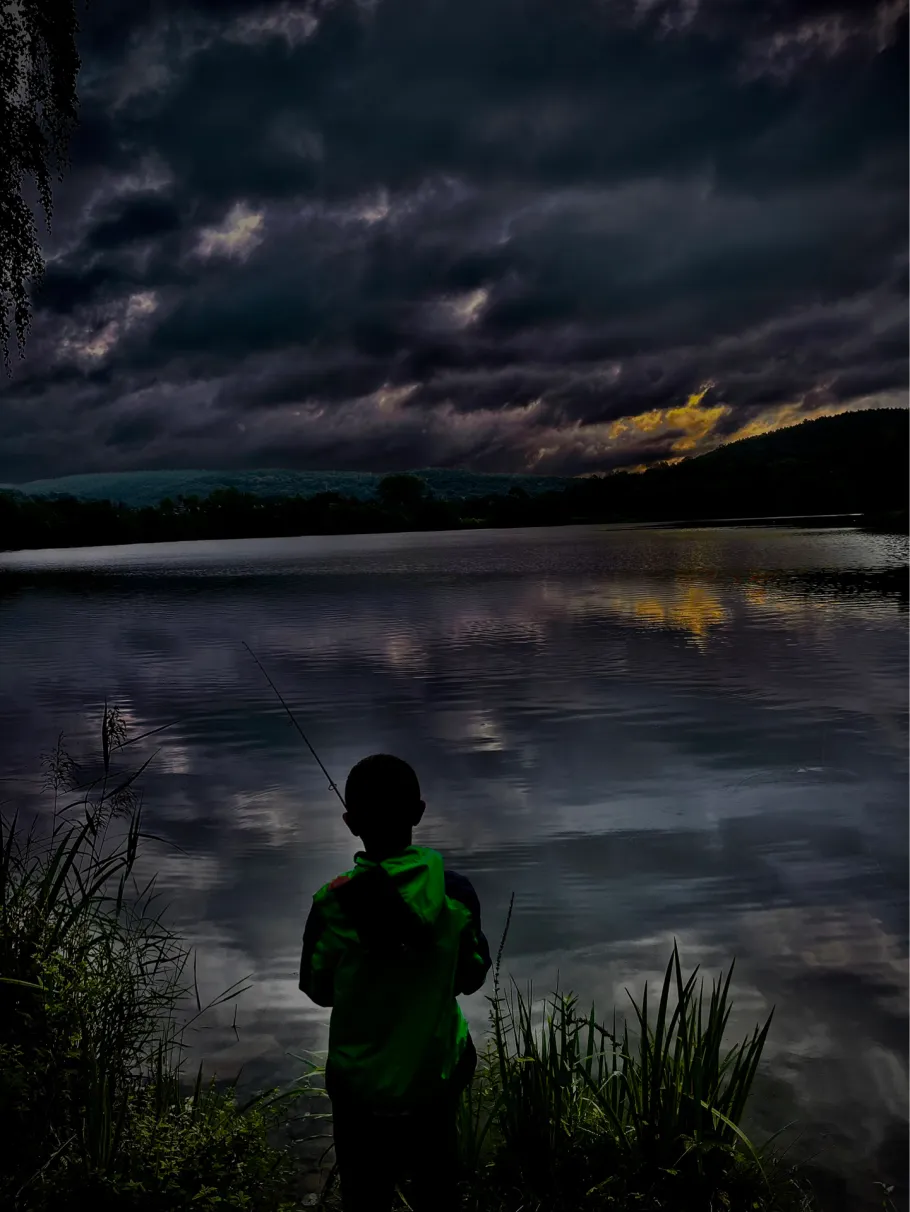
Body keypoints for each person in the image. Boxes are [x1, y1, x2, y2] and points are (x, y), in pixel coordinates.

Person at [299, 754, 492, 1212]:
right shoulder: (455, 893)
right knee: (437, 1192)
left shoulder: (332, 904)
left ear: (350, 823)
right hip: (434, 1079)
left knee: (365, 1198)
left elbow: (318, 989)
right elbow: (471, 977)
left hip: (358, 1090)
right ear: (418, 813)